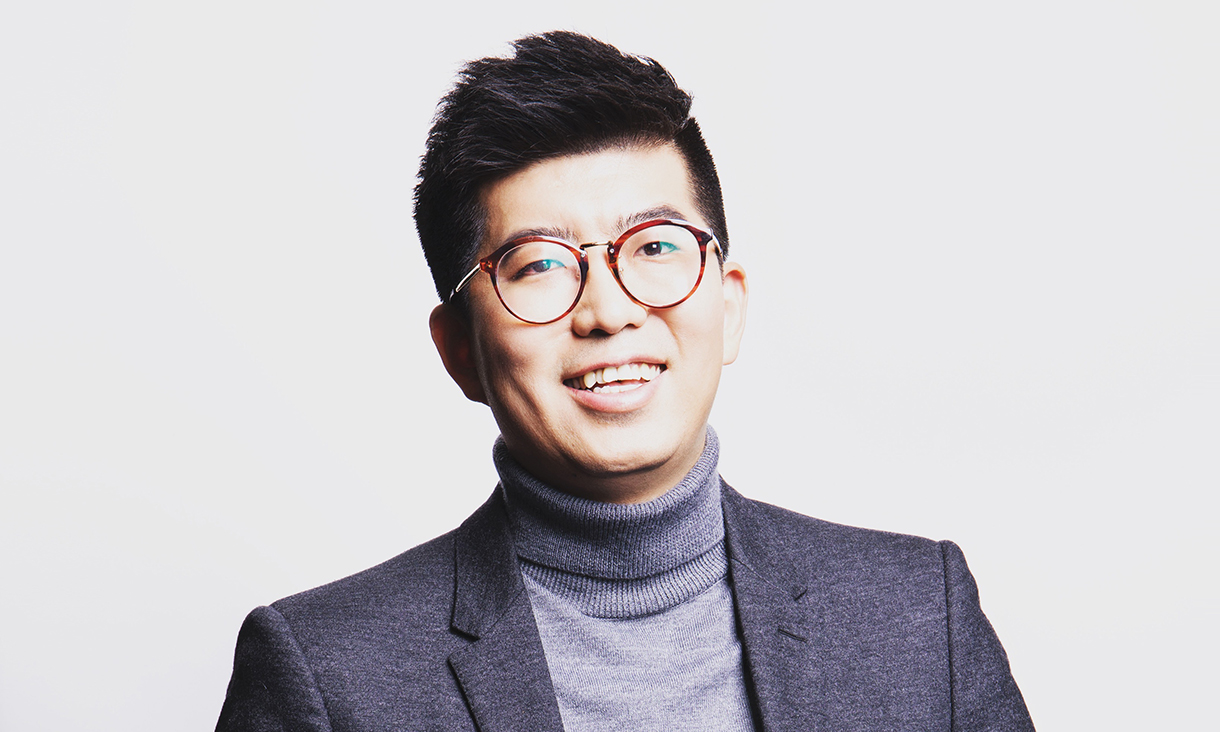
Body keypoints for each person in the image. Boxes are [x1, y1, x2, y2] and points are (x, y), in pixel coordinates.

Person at [216, 31, 1034, 732]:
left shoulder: (920, 618)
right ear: (460, 350)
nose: (608, 311)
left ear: (729, 306)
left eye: (656, 247)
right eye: (539, 264)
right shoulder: (326, 675)